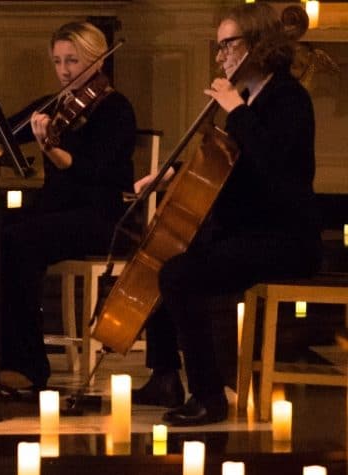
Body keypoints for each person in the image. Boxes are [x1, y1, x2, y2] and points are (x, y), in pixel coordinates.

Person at [131, 2, 322, 426]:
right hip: (247, 231)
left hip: (285, 239)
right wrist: (169, 177)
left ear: (257, 44)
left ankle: (209, 396)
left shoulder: (289, 99)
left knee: (181, 275)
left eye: (227, 45)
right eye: (219, 48)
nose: (220, 57)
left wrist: (237, 110)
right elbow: (225, 164)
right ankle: (165, 374)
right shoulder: (252, 98)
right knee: (168, 252)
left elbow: (276, 171)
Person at [0, 22, 136, 391]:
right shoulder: (56, 105)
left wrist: (55, 152)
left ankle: (26, 366)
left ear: (96, 59)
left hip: (99, 216)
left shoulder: (116, 109)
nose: (64, 70)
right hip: (53, 210)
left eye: (73, 60)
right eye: (58, 61)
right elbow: (4, 132)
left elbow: (98, 172)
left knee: (18, 242)